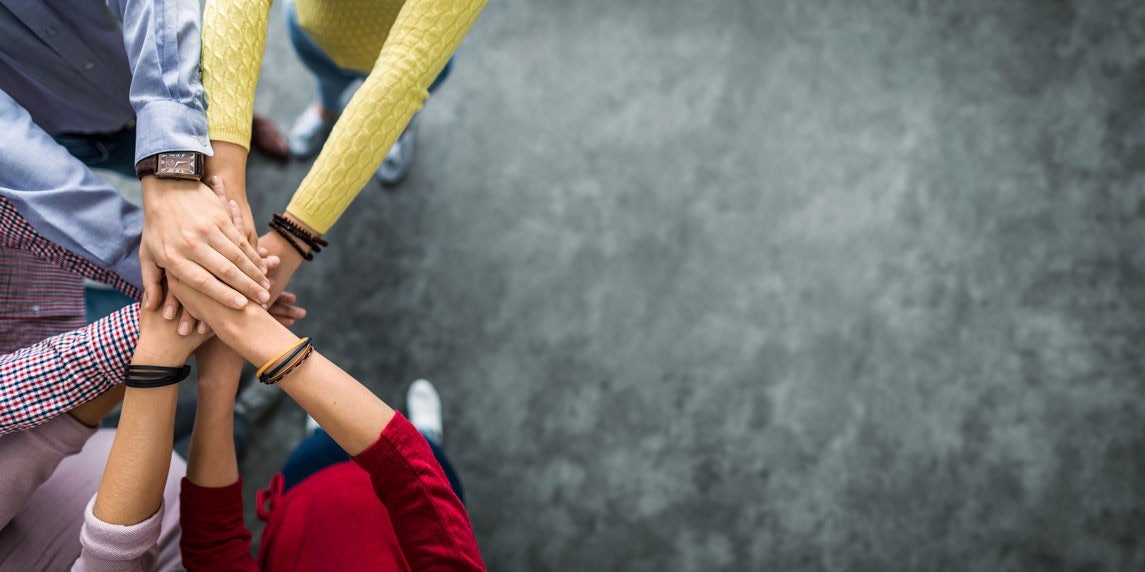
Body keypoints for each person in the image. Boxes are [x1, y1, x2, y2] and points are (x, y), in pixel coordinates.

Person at [73, 241, 484, 569]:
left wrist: (223, 366)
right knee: (424, 456)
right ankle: (423, 433)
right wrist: (249, 329)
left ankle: (324, 428)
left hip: (304, 494)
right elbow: (416, 481)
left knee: (319, 445)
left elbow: (216, 553)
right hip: (417, 485)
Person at [0, 0, 271, 340]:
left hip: (180, 70)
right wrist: (165, 257)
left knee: (227, 122)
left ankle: (245, 129)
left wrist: (168, 166)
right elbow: (14, 155)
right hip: (83, 133)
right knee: (200, 210)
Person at [200, 0, 488, 305]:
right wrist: (226, 191)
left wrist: (291, 239)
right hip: (316, 34)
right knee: (328, 86)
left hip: (418, 56)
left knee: (403, 106)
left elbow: (402, 77)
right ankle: (325, 109)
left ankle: (398, 133)